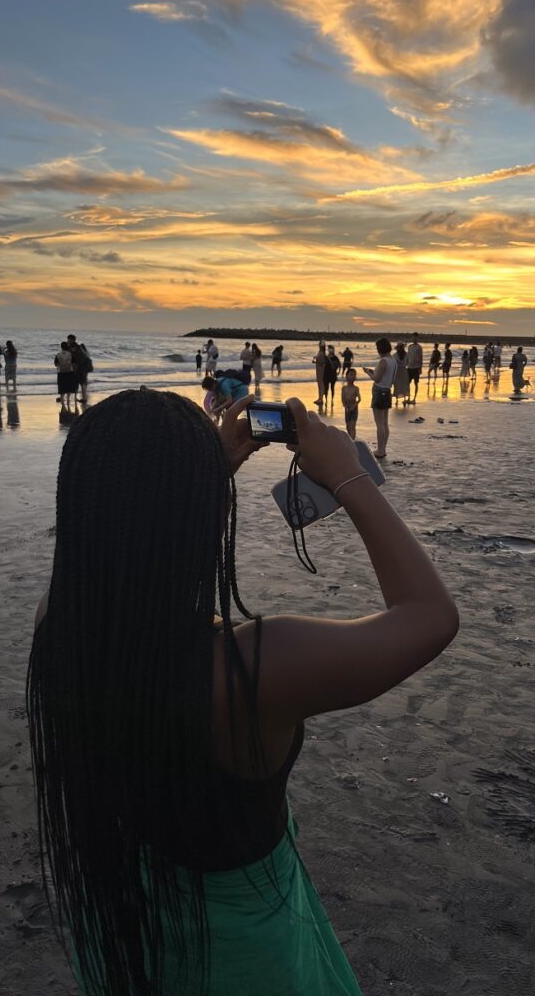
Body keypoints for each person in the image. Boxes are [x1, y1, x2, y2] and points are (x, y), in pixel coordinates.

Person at [27, 388, 458, 996]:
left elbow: (101, 551)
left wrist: (204, 476)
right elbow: (430, 616)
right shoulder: (251, 668)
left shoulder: (60, 629)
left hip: (126, 931)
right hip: (245, 956)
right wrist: (350, 476)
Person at [364, 337, 396, 459]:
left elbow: (376, 379)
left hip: (379, 391)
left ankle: (380, 450)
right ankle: (383, 448)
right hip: (387, 390)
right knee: (385, 423)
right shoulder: (393, 360)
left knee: (379, 423)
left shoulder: (383, 361)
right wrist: (374, 372)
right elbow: (387, 376)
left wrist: (368, 372)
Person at [67, 335, 91, 404]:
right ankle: (84, 398)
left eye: (68, 339)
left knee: (78, 383)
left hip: (79, 368)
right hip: (84, 368)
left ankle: (82, 398)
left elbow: (75, 359)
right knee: (83, 383)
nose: (67, 341)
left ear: (71, 340)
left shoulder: (74, 348)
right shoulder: (79, 347)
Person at [55, 341, 77, 409]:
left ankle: (62, 399)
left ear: (61, 347)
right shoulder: (70, 354)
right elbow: (74, 363)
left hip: (61, 372)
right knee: (69, 386)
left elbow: (56, 364)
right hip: (69, 371)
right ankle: (68, 399)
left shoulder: (58, 354)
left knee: (61, 386)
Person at [341, 368, 361, 439]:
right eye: (351, 374)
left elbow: (359, 399)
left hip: (354, 408)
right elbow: (343, 399)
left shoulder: (356, 388)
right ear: (346, 376)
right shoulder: (344, 388)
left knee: (353, 425)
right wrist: (345, 407)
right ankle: (350, 438)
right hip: (347, 408)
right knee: (348, 426)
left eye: (354, 375)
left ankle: (353, 440)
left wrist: (353, 406)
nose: (353, 376)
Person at [406, 332, 423, 403]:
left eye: (416, 337)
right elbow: (407, 356)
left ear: (417, 338)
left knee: (416, 383)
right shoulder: (409, 346)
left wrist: (420, 368)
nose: (414, 339)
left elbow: (421, 357)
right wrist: (405, 365)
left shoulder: (419, 347)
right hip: (409, 367)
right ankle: (408, 398)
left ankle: (414, 399)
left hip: (416, 368)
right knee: (408, 383)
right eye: (413, 337)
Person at [393, 342, 409, 406]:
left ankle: (397, 399)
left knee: (397, 385)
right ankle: (405, 398)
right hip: (404, 370)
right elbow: (407, 363)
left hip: (397, 371)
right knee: (404, 384)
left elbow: (394, 364)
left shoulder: (395, 355)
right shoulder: (406, 354)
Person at [312, 342, 327, 406]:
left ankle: (321, 399)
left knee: (320, 384)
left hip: (321, 370)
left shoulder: (322, 353)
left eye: (320, 345)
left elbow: (323, 362)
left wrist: (316, 361)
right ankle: (320, 398)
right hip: (319, 369)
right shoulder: (321, 352)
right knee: (319, 383)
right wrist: (315, 361)